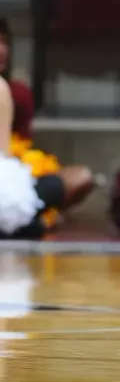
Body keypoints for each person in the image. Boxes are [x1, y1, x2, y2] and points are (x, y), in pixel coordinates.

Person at [0, 23, 93, 239]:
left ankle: (23, 221)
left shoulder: (7, 91)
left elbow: (3, 157)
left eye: (4, 42)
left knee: (65, 181)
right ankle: (27, 225)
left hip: (10, 171)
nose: (1, 50)